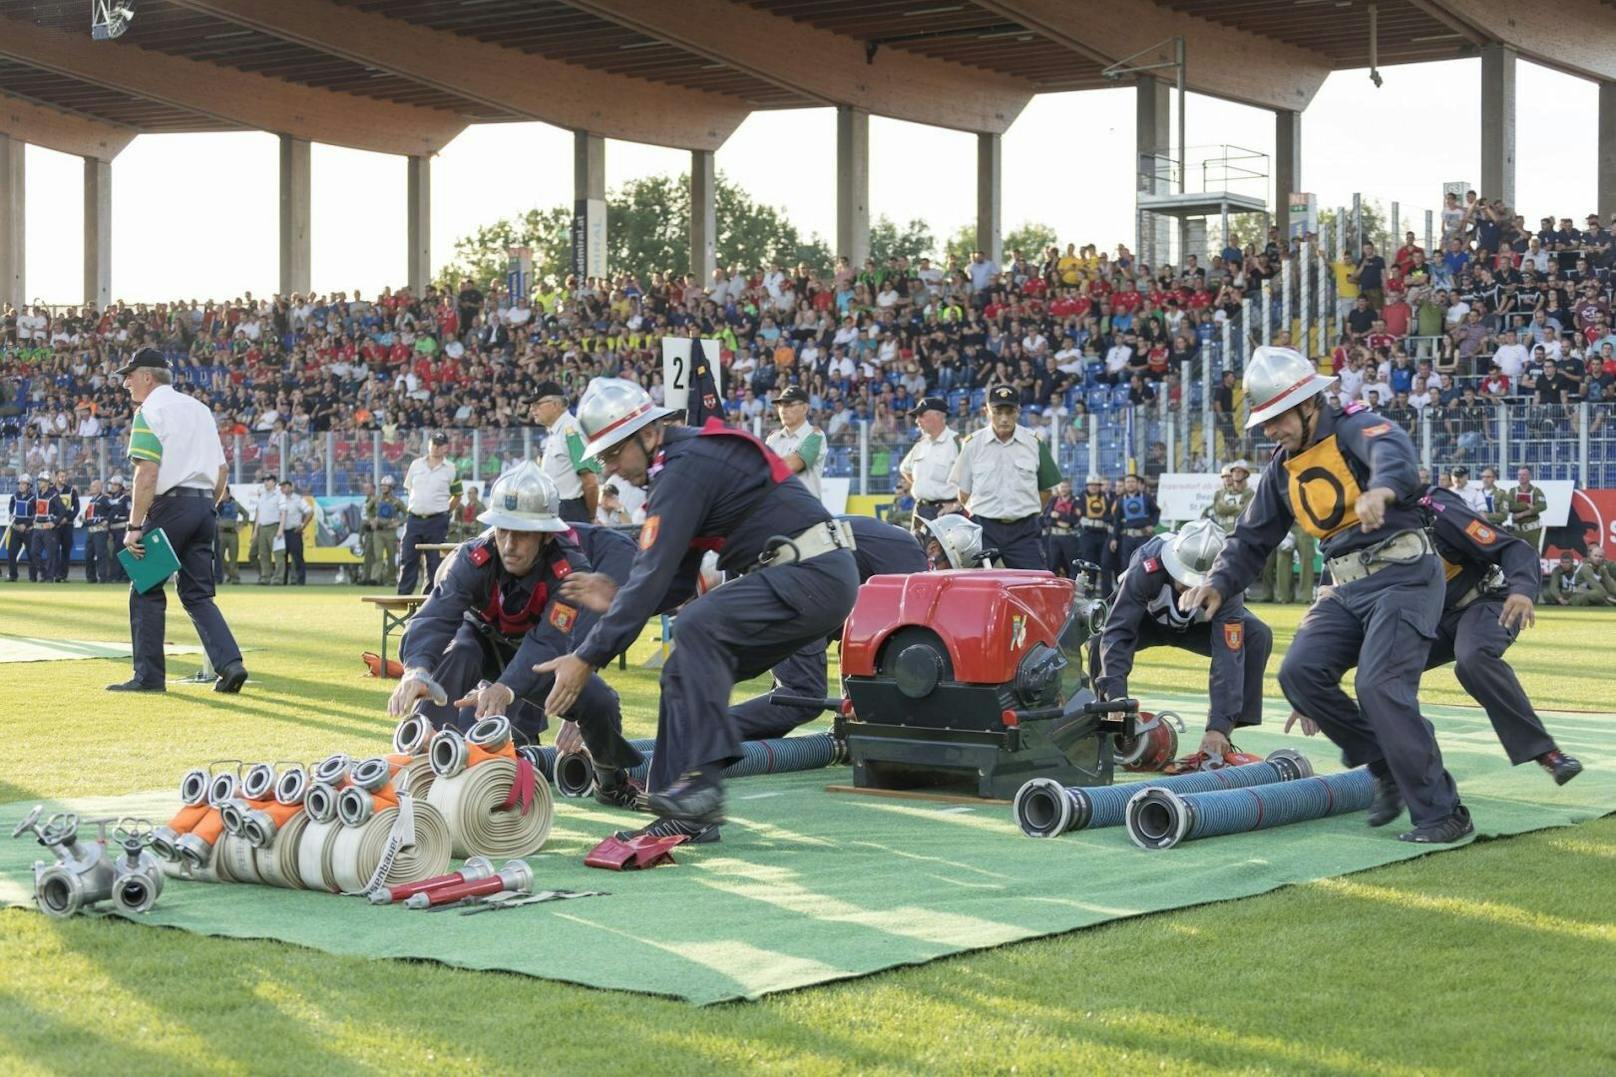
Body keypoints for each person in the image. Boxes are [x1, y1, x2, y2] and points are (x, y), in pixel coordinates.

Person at [541, 377, 860, 839]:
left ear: (647, 435)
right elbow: (671, 581)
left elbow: (652, 581)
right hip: (805, 576)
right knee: (682, 669)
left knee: (695, 627)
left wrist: (587, 657)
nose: (609, 470)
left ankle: (702, 790)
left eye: (613, 454)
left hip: (810, 575)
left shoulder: (683, 470)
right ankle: (681, 810)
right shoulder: (682, 466)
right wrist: (619, 597)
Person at [1179, 345, 1470, 844]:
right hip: (1346, 586)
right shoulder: (1282, 467)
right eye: (1264, 420)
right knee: (1300, 674)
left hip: (1404, 576)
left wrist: (1381, 491)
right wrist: (1218, 583)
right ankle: (1385, 765)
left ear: (1309, 403)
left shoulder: (1357, 426)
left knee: (1380, 688)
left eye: (1276, 418)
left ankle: (1444, 813)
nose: (1269, 430)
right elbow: (1252, 537)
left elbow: (1393, 456)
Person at [386, 463, 644, 806]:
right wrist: (416, 670)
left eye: (522, 533)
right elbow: (436, 615)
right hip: (479, 639)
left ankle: (610, 779)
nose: (509, 543)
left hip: (536, 653)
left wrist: (506, 689)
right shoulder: (472, 558)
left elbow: (551, 640)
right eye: (503, 530)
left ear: (546, 535)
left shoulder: (570, 570)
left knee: (600, 702)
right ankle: (419, 764)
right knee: (456, 654)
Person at [1413, 485, 1582, 782]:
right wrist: (1309, 680)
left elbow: (1513, 548)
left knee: (1474, 658)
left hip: (1486, 602)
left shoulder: (1436, 511)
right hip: (1431, 618)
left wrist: (1522, 590)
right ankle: (1402, 764)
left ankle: (1546, 752)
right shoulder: (1362, 530)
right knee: (1382, 671)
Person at [111, 347, 247, 694]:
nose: (126, 383)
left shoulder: (149, 413)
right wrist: (209, 508)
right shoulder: (200, 410)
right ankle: (231, 665)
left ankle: (148, 678)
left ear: (147, 377)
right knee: (198, 595)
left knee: (145, 587)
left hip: (170, 508)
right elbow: (222, 470)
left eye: (129, 376)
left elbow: (147, 473)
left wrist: (134, 527)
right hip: (203, 507)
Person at [730, 516, 928, 740]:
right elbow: (893, 636)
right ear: (933, 549)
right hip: (795, 588)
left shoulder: (888, 541)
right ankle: (701, 733)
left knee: (789, 698)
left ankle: (723, 741)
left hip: (785, 580)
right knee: (802, 697)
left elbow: (856, 637)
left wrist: (856, 701)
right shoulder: (911, 556)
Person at [1097, 519, 1274, 766]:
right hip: (1148, 624)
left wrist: (1219, 727)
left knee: (1257, 635)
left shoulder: (1230, 584)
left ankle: (1222, 737)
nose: (1185, 588)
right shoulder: (1146, 565)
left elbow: (1227, 654)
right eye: (1183, 578)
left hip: (1198, 629)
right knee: (1099, 641)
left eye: (1195, 584)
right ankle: (1109, 728)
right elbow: (1118, 633)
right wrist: (1118, 702)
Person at [949, 385, 1062, 570]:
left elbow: (1046, 491)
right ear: (986, 411)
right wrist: (984, 510)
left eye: (1010, 412)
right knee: (976, 588)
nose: (1004, 418)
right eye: (997, 411)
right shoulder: (972, 444)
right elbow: (963, 493)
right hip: (984, 529)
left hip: (1024, 532)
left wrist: (1023, 510)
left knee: (1033, 587)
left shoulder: (1034, 443)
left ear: (1018, 411)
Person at [398, 432, 462, 594]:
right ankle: (403, 597)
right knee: (408, 558)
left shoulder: (451, 469)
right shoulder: (416, 465)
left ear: (445, 447)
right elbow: (410, 489)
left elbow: (457, 495)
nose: (435, 447)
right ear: (428, 445)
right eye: (433, 444)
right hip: (414, 518)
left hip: (437, 520)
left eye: (439, 445)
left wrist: (446, 512)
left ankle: (429, 601)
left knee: (434, 562)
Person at [531, 381, 600, 524]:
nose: (532, 409)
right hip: (558, 511)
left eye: (537, 404)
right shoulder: (557, 431)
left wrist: (591, 517)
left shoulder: (571, 431)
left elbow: (590, 482)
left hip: (570, 512)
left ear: (555, 405)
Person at [897, 396, 960, 537]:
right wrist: (923, 487)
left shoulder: (957, 443)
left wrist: (957, 503)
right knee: (918, 556)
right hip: (921, 510)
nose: (917, 420)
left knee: (946, 558)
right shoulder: (920, 445)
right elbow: (905, 469)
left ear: (939, 416)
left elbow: (974, 478)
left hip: (946, 512)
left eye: (922, 415)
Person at [764, 385, 827, 499]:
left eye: (789, 405)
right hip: (777, 509)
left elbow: (793, 464)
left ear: (804, 408)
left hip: (806, 511)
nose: (783, 410)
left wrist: (762, 467)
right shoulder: (773, 438)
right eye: (780, 405)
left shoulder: (815, 435)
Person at [1109, 472, 1160, 572]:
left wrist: (1152, 525)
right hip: (1127, 538)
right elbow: (1117, 521)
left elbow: (1156, 512)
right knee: (1126, 565)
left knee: (1145, 564)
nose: (1130, 484)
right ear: (1125, 484)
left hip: (1143, 537)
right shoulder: (1120, 501)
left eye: (1133, 481)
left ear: (1137, 483)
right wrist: (1114, 538)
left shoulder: (1147, 498)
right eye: (1128, 482)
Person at [366, 475, 405, 587]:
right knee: (378, 556)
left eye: (385, 486)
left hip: (390, 532)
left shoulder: (397, 502)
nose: (383, 488)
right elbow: (368, 509)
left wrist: (398, 522)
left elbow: (407, 515)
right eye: (382, 486)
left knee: (391, 556)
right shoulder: (376, 499)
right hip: (378, 531)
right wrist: (371, 520)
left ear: (391, 487)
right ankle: (375, 579)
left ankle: (391, 579)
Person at [1075, 473, 1113, 584]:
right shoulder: (1081, 497)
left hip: (1103, 534)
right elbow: (1078, 513)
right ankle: (1088, 593)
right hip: (1087, 533)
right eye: (1091, 485)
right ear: (1087, 486)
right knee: (1088, 564)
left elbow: (1110, 514)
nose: (1094, 487)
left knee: (1105, 564)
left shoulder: (1106, 497)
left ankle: (1106, 594)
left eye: (1096, 485)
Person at [250, 472, 284, 585]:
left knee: (278, 554)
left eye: (268, 480)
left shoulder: (279, 495)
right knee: (263, 554)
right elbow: (259, 514)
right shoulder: (262, 495)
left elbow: (283, 513)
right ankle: (265, 577)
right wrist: (255, 531)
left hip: (274, 526)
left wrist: (280, 529)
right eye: (265, 480)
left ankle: (278, 578)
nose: (266, 482)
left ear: (274, 482)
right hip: (262, 528)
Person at [1203, 460, 1252, 535]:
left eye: (1239, 471)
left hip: (1241, 532)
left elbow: (1246, 511)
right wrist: (1237, 507)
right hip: (1221, 532)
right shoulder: (1222, 493)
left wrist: (1228, 509)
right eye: (1234, 471)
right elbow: (1219, 509)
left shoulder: (1250, 493)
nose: (1236, 474)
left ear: (1245, 474)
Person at [1043, 480, 1081, 575]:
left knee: (1071, 566)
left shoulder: (1075, 501)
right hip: (1054, 537)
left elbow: (1074, 520)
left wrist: (1059, 515)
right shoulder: (1053, 500)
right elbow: (1046, 517)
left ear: (1070, 488)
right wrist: (1059, 522)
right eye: (1061, 487)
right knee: (1053, 565)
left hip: (1069, 537)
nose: (1063, 489)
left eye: (1065, 487)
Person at [1505, 466, 1546, 552]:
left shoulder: (1536, 491)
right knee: (1516, 553)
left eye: (1524, 474)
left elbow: (1542, 506)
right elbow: (1510, 506)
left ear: (1529, 476)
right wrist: (1526, 505)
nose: (1521, 477)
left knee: (1532, 554)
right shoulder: (1513, 491)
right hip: (1516, 531)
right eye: (1519, 475)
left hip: (1532, 531)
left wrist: (1522, 514)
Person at [1545, 553, 1611, 606]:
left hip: (1575, 593)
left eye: (1567, 562)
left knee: (1586, 596)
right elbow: (1553, 587)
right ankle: (1561, 603)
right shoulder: (1557, 570)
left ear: (1572, 562)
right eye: (1562, 562)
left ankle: (1570, 603)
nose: (1564, 564)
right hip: (1562, 594)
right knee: (1547, 593)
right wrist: (1560, 599)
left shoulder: (1578, 570)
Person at [279, 480, 308, 585]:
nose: (283, 489)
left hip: (294, 531)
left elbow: (309, 512)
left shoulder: (298, 499)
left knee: (297, 557)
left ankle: (300, 581)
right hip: (282, 532)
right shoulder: (280, 499)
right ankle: (283, 580)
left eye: (285, 487)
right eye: (282, 487)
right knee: (282, 557)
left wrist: (303, 525)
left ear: (291, 487)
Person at [4, 474, 34, 581]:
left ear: (29, 486)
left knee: (31, 554)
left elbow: (34, 516)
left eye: (23, 484)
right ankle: (13, 575)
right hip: (16, 529)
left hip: (28, 531)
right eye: (20, 483)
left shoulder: (33, 498)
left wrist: (25, 525)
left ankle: (33, 577)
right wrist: (14, 518)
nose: (20, 486)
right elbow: (11, 509)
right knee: (11, 552)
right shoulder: (15, 496)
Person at [29, 471, 57, 583]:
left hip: (48, 528)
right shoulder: (36, 494)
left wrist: (54, 523)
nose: (39, 483)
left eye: (41, 481)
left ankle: (50, 577)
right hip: (37, 528)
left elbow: (62, 511)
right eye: (39, 480)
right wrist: (33, 518)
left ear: (47, 482)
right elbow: (32, 509)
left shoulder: (54, 495)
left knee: (50, 553)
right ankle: (44, 573)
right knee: (33, 552)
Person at [51, 468, 78, 582]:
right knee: (55, 550)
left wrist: (67, 518)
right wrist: (56, 520)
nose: (64, 478)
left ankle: (63, 575)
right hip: (55, 525)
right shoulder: (51, 491)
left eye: (65, 476)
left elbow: (76, 508)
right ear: (56, 477)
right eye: (61, 476)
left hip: (67, 525)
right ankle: (56, 575)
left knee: (66, 551)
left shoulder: (71, 491)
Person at [82, 479, 110, 583]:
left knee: (101, 554)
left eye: (93, 486)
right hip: (90, 531)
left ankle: (103, 577)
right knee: (88, 555)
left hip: (100, 531)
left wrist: (107, 520)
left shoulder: (104, 499)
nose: (91, 488)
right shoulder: (92, 500)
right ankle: (91, 577)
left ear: (99, 488)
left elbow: (113, 509)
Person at [105, 474, 130, 583]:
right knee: (114, 554)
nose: (113, 486)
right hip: (113, 530)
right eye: (112, 484)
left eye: (116, 484)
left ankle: (123, 577)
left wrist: (128, 530)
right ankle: (116, 576)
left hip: (122, 529)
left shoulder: (126, 498)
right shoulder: (111, 499)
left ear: (121, 486)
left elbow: (129, 514)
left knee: (122, 554)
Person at [214, 487, 242, 584]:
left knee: (233, 558)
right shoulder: (218, 505)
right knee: (220, 557)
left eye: (224, 493)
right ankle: (229, 574)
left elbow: (246, 514)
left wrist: (241, 526)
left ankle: (235, 578)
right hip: (221, 534)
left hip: (232, 534)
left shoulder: (235, 504)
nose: (222, 495)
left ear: (228, 494)